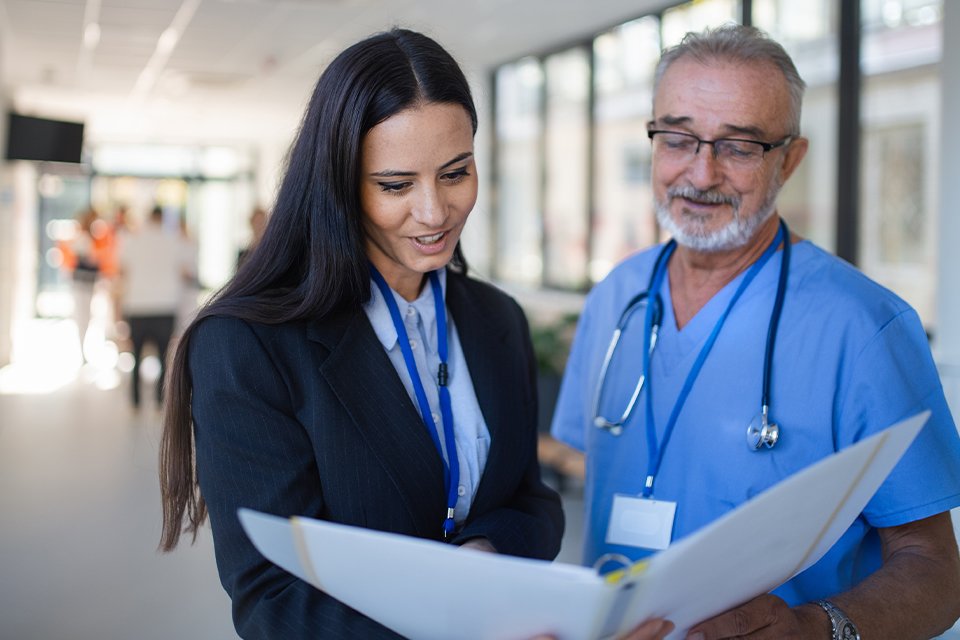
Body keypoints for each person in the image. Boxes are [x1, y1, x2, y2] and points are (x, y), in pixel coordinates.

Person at [551, 24, 960, 640]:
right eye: (678, 138)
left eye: (739, 147)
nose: (701, 172)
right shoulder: (616, 296)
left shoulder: (863, 327)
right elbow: (583, 461)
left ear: (790, 160)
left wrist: (818, 628)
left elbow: (935, 570)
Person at [159, 28, 568, 639]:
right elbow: (270, 596)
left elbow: (533, 503)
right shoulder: (249, 346)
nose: (434, 212)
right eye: (396, 185)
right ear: (339, 186)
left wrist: (483, 555)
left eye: (455, 173)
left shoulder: (497, 320)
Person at [118, 205, 193, 408]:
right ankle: (160, 399)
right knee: (162, 356)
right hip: (165, 304)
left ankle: (135, 400)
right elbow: (186, 271)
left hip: (138, 305)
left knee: (135, 355)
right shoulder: (173, 241)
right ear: (162, 219)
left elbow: (122, 270)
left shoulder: (132, 240)